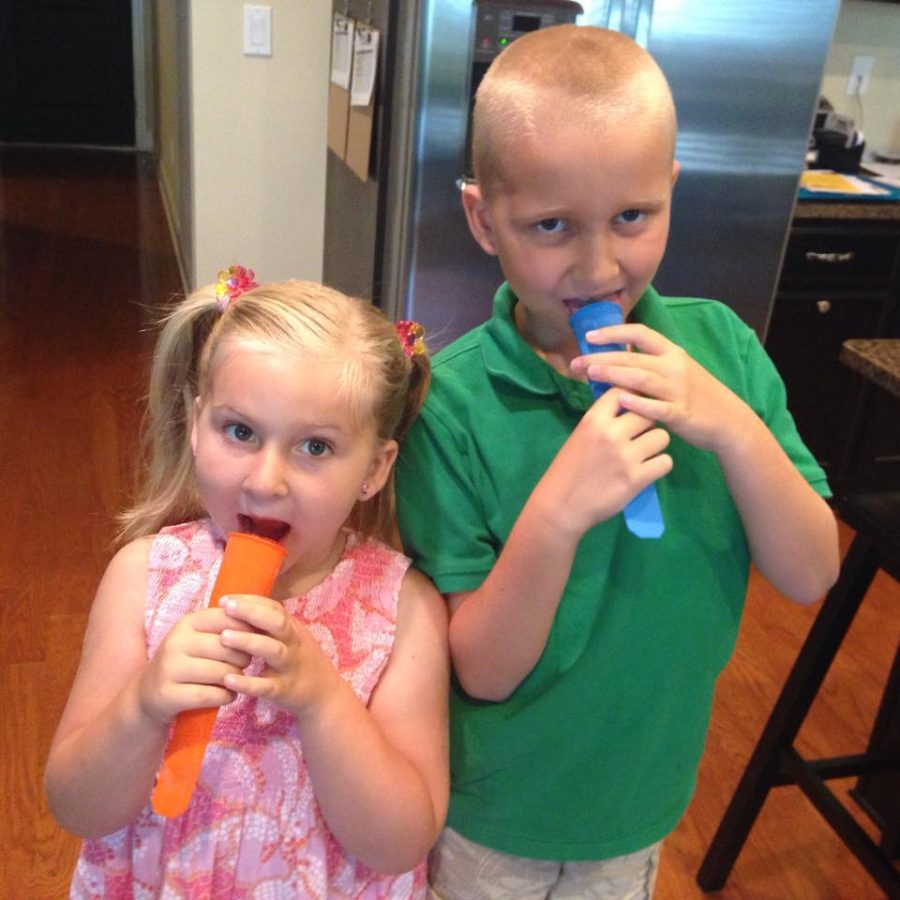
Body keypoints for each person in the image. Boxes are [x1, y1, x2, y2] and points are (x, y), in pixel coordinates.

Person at [395, 25, 840, 899]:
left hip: (642, 802)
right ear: (485, 219)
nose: (598, 266)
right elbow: (482, 667)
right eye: (551, 226)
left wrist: (732, 427)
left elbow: (812, 571)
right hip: (497, 814)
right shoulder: (446, 408)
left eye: (632, 217)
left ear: (671, 190)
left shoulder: (727, 353)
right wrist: (557, 512)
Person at [45, 269, 449, 898]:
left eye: (315, 446)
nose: (267, 480)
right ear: (196, 421)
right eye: (240, 432)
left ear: (374, 468)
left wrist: (323, 702)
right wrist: (145, 704)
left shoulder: (403, 611)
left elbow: (399, 843)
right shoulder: (144, 579)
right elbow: (75, 806)